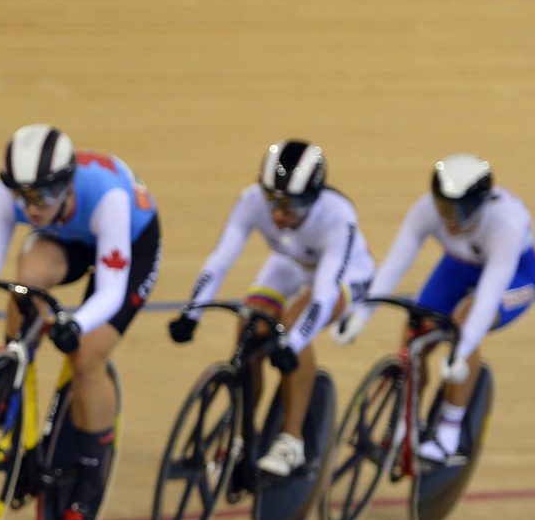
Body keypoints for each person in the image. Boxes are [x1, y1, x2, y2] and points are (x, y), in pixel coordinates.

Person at [0, 124, 160, 520]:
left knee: (86, 355)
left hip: (130, 242)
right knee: (25, 281)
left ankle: (92, 470)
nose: (32, 207)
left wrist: (77, 324)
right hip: (68, 237)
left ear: (68, 183)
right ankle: (12, 382)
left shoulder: (107, 197)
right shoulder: (11, 194)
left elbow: (109, 292)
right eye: (24, 197)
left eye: (44, 195)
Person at [167, 140, 373, 477]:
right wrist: (193, 313)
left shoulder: (337, 218)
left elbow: (322, 294)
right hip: (291, 262)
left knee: (290, 328)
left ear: (313, 198)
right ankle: (243, 441)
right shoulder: (251, 201)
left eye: (290, 206)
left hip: (346, 275)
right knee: (249, 329)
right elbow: (219, 261)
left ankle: (291, 442)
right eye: (273, 201)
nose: (278, 214)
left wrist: (291, 346)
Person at [341, 153, 535, 463]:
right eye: (445, 208)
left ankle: (449, 429)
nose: (452, 219)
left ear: (481, 204)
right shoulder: (426, 209)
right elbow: (393, 266)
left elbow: (487, 298)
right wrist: (361, 314)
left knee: (465, 322)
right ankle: (406, 422)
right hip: (458, 265)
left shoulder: (506, 225)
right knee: (415, 331)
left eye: (461, 210)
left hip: (515, 274)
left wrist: (461, 349)